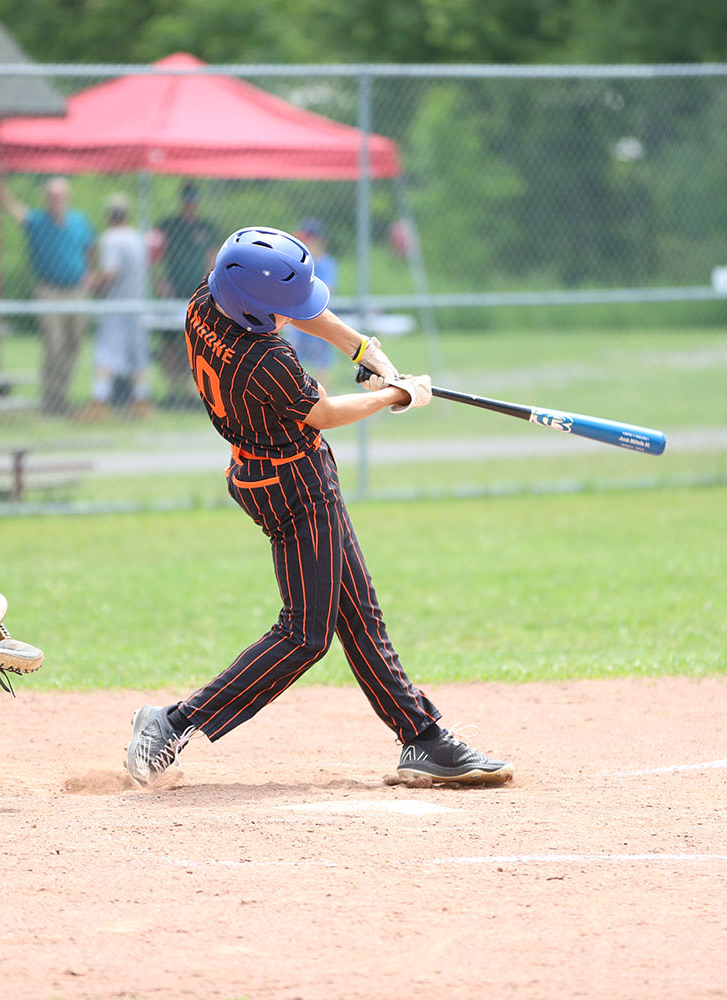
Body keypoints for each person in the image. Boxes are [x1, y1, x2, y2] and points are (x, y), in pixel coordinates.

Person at [123, 226, 513, 789]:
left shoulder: (205, 303)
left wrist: (362, 348)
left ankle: (422, 739)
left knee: (356, 607)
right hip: (296, 486)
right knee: (306, 634)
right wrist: (394, 395)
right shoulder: (266, 360)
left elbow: (285, 308)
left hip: (259, 470)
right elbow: (324, 413)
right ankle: (174, 722)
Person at [0, 178, 94, 416]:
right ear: (46, 200)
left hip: (76, 291)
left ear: (67, 198)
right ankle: (50, 400)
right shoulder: (37, 222)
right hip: (49, 291)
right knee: (54, 344)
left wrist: (89, 275)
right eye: (52, 197)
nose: (56, 201)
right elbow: (14, 210)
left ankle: (62, 396)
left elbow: (91, 248)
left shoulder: (79, 221)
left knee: (74, 344)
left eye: (60, 196)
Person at [153, 182, 221, 406]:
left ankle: (194, 390)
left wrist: (207, 288)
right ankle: (174, 388)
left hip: (197, 294)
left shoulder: (206, 227)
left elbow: (211, 259)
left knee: (195, 341)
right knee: (171, 342)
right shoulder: (169, 225)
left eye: (193, 201)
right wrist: (160, 282)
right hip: (173, 293)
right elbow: (155, 256)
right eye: (187, 201)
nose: (190, 206)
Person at [84, 193, 150, 418]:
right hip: (137, 305)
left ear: (109, 215)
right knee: (137, 356)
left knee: (105, 354)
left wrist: (94, 281)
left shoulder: (110, 238)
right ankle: (140, 401)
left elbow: (111, 271)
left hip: (116, 307)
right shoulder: (137, 238)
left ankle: (99, 403)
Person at [282, 218, 340, 382]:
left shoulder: (325, 263)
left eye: (308, 241)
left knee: (321, 361)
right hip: (297, 321)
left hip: (320, 319)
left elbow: (328, 289)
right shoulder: (299, 263)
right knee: (295, 359)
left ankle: (323, 396)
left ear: (319, 241)